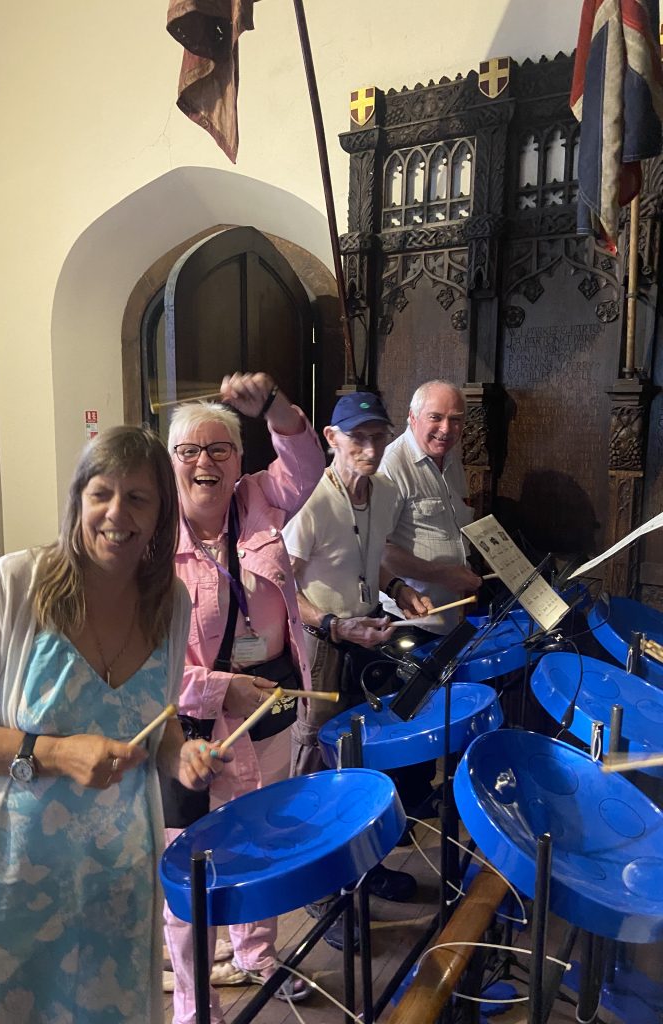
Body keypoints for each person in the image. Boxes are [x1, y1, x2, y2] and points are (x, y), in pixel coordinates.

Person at [0, 426, 229, 1024]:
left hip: (115, 887)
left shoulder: (171, 604)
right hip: (7, 886)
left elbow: (155, 722)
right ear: (77, 498)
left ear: (162, 513)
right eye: (100, 493)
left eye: (138, 498)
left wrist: (179, 755)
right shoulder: (18, 585)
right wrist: (52, 753)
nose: (116, 513)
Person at [163, 372, 325, 1024]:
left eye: (220, 449)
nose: (205, 462)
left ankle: (257, 956)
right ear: (172, 460)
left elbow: (309, 467)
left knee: (262, 837)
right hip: (192, 724)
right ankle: (192, 1002)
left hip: (275, 701)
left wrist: (276, 409)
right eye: (190, 451)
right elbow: (145, 662)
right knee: (190, 861)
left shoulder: (262, 499)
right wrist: (220, 685)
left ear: (239, 459)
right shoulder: (150, 541)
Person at [282, 391, 433, 926]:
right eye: (357, 437)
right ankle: (321, 890)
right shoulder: (308, 502)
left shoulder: (386, 492)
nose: (369, 448)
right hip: (323, 640)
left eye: (378, 436)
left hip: (371, 627)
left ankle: (366, 868)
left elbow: (369, 561)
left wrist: (401, 589)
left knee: (369, 756)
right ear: (331, 438)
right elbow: (282, 590)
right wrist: (333, 625)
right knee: (319, 762)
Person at [380, 379, 481, 634]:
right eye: (435, 417)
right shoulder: (391, 466)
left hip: (449, 612)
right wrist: (444, 574)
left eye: (455, 420)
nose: (446, 429)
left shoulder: (451, 459)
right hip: (409, 617)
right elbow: (379, 551)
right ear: (413, 418)